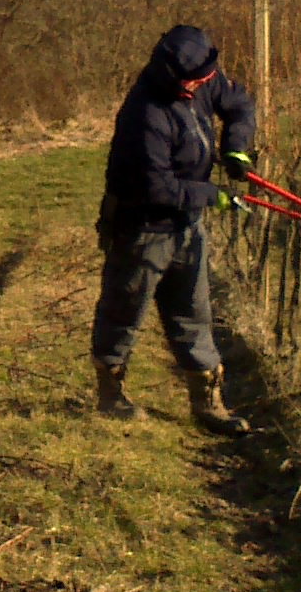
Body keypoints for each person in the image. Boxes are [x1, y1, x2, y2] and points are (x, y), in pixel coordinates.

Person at [90, 23, 255, 433]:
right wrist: (211, 194)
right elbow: (156, 187)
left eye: (203, 81)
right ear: (172, 75)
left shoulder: (203, 80)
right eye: (192, 83)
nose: (198, 88)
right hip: (141, 228)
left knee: (194, 314)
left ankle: (208, 403)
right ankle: (110, 396)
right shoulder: (144, 114)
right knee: (123, 311)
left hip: (185, 226)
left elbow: (238, 102)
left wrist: (236, 146)